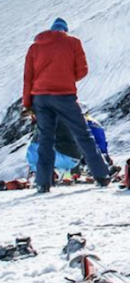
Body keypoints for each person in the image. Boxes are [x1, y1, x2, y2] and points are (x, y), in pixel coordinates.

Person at [22, 18, 110, 193]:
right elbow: (83, 69)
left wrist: (27, 103)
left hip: (40, 98)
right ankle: (101, 176)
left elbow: (28, 77)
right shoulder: (73, 42)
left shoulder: (35, 47)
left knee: (45, 139)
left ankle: (43, 183)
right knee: (82, 134)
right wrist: (66, 78)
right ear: (65, 30)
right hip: (64, 96)